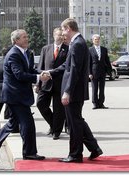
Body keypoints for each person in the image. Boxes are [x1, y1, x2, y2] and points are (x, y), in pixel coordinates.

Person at [44, 18, 103, 163]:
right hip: (76, 90)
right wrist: (51, 72)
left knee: (74, 123)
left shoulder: (77, 44)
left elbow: (74, 70)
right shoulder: (77, 43)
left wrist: (67, 91)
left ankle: (75, 155)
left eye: (63, 30)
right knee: (77, 121)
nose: (63, 33)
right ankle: (94, 148)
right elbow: (67, 65)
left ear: (69, 28)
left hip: (74, 91)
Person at [0, 29, 47, 162]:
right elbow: (19, 74)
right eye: (24, 37)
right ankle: (29, 153)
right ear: (16, 40)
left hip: (18, 95)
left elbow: (30, 70)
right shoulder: (13, 54)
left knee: (13, 123)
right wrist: (38, 78)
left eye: (27, 36)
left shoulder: (24, 53)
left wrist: (43, 73)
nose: (27, 38)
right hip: (15, 95)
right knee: (28, 124)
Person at [36, 27, 69, 140]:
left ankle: (56, 131)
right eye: (58, 35)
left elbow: (66, 67)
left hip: (60, 84)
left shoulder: (68, 49)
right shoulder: (46, 49)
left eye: (62, 35)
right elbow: (40, 67)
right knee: (40, 104)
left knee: (59, 109)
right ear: (53, 35)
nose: (60, 37)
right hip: (46, 83)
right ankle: (53, 124)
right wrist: (39, 83)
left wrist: (51, 73)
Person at [89, 34, 112, 109]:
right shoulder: (90, 50)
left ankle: (101, 103)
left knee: (102, 88)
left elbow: (107, 60)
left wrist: (109, 71)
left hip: (102, 71)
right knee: (94, 88)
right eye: (95, 39)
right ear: (93, 41)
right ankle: (95, 103)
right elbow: (88, 62)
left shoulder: (104, 49)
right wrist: (89, 73)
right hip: (94, 72)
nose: (97, 40)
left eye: (98, 39)